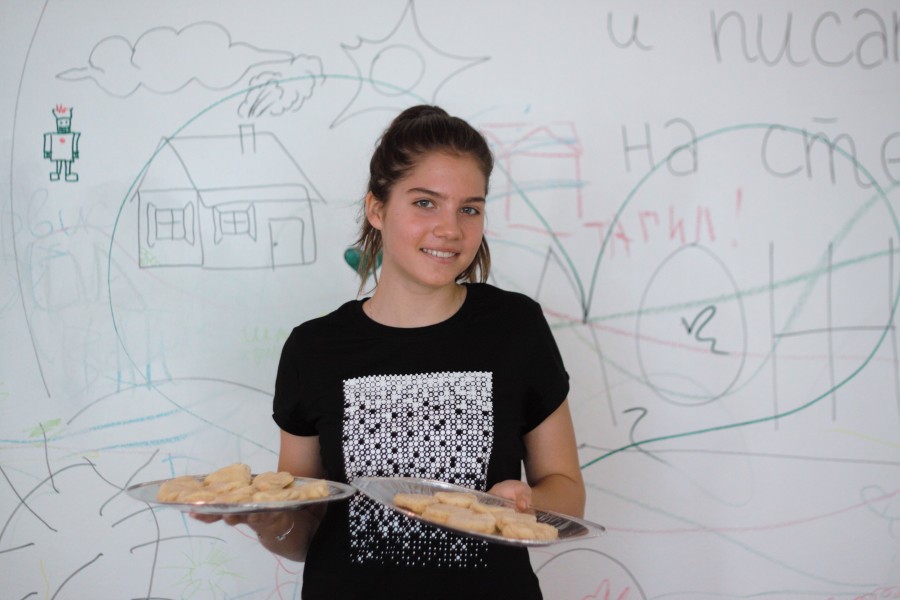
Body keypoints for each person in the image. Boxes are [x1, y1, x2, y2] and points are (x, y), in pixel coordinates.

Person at [257, 104, 584, 599]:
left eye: (469, 209)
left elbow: (567, 491)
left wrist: (527, 502)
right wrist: (269, 520)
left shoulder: (515, 327)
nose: (450, 229)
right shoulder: (314, 348)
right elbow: (303, 532)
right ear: (377, 209)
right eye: (426, 203)